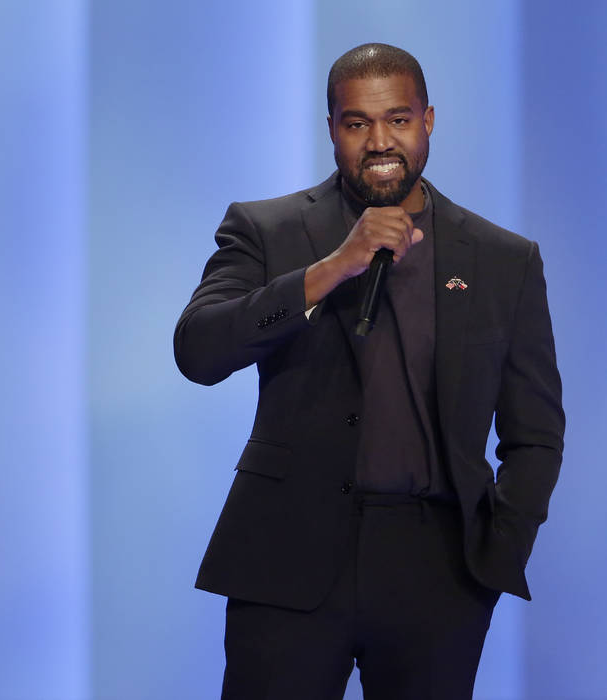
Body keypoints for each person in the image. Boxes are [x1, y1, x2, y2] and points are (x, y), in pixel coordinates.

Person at [174, 43, 564, 700]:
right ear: (332, 128)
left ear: (428, 121)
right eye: (357, 123)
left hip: (435, 573)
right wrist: (331, 269)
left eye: (398, 120)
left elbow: (536, 433)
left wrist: (493, 557)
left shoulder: (503, 260)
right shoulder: (265, 230)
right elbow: (198, 352)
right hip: (285, 564)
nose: (380, 141)